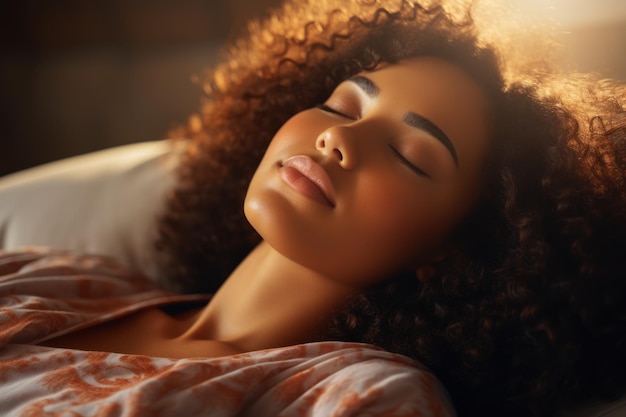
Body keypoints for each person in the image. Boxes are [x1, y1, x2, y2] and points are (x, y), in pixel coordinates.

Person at [4, 0, 625, 416]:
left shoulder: (361, 396)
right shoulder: (46, 273)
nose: (337, 138)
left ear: (456, 250)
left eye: (409, 155)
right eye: (343, 106)